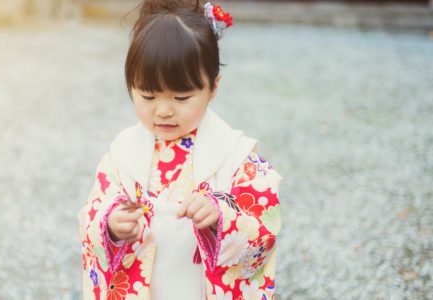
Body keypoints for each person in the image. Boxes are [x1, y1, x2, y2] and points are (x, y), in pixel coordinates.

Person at [77, 0, 282, 298]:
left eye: (181, 97)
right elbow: (92, 212)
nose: (163, 110)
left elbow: (264, 222)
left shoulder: (236, 154)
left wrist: (222, 213)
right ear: (130, 87)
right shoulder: (121, 154)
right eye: (147, 96)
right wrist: (110, 224)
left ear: (213, 87)